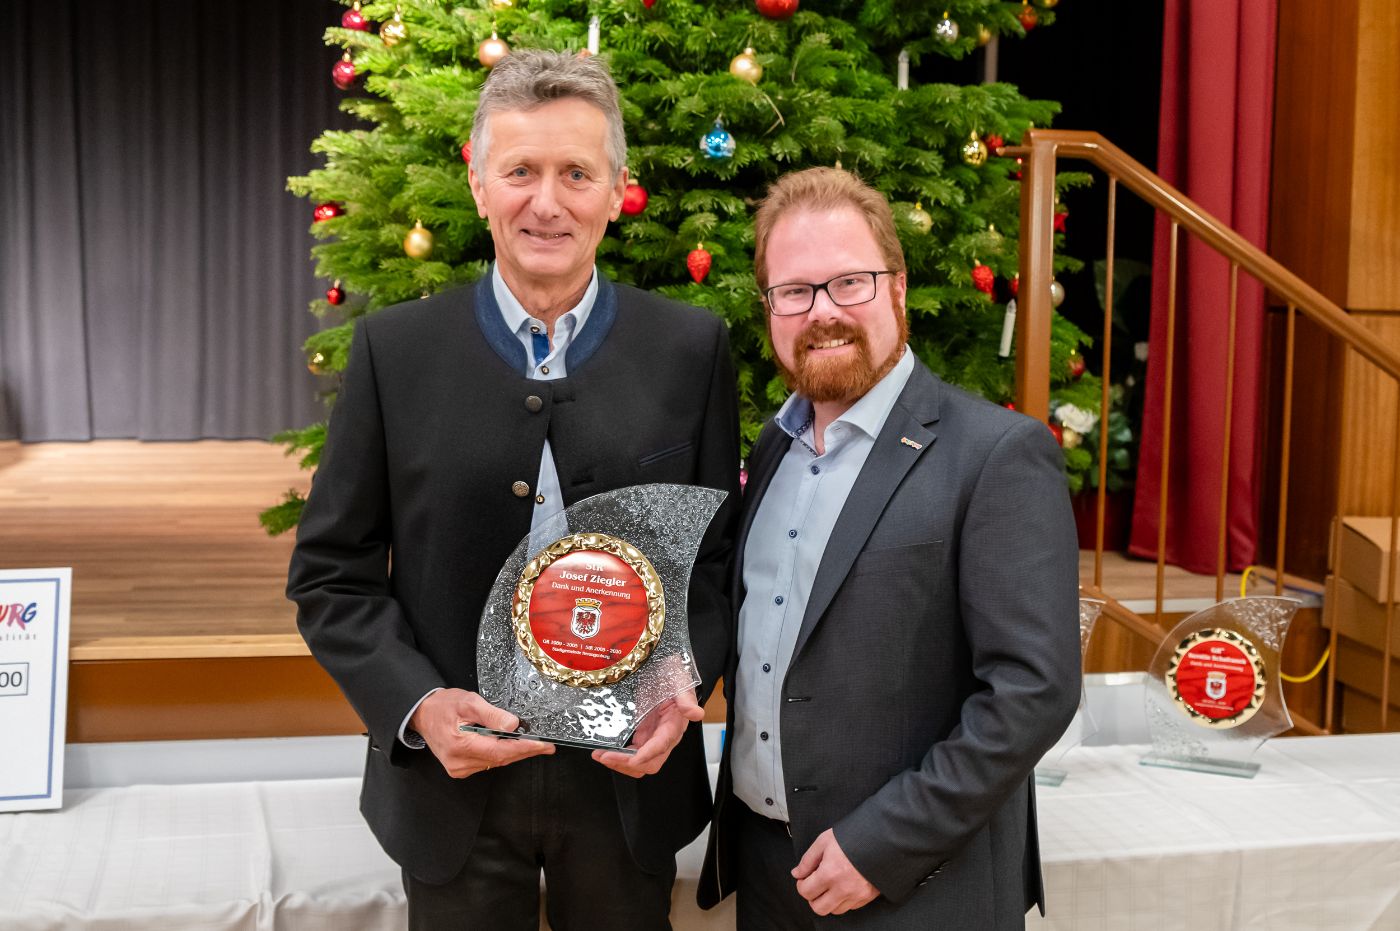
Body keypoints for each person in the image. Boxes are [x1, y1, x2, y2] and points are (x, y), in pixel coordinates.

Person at [288, 49, 739, 930]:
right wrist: (418, 706)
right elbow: (332, 574)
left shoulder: (691, 349)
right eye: (521, 171)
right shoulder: (393, 353)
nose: (547, 202)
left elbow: (716, 565)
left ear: (617, 190)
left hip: (626, 790)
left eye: (577, 173)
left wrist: (678, 680)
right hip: (451, 793)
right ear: (479, 184)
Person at [698, 167, 1080, 929]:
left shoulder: (996, 454)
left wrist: (884, 845)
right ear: (770, 307)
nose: (823, 311)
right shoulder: (771, 449)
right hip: (771, 876)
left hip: (914, 886)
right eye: (794, 290)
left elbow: (1032, 690)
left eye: (850, 282)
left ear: (898, 287)